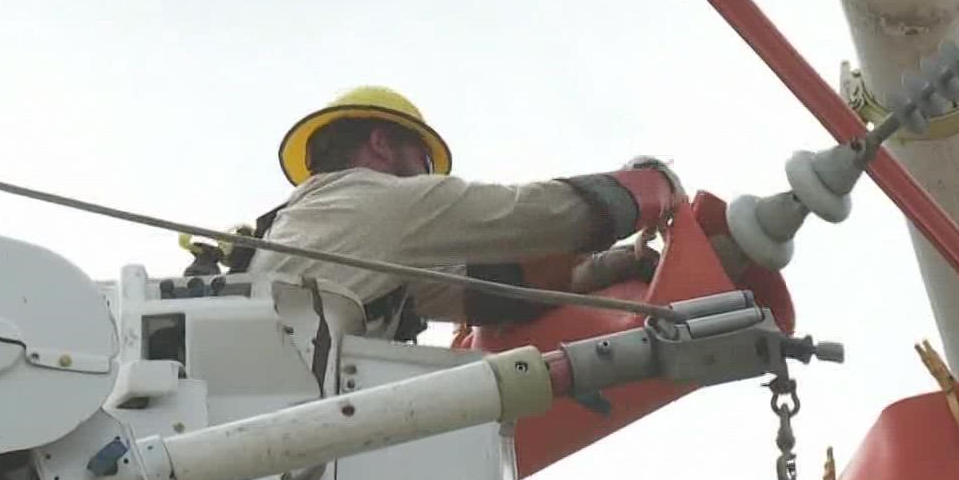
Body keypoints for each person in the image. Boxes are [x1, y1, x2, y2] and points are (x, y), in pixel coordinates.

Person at [242, 85, 703, 341]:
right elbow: (530, 217)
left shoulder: (312, 227)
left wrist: (618, 264)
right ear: (382, 143)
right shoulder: (376, 200)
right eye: (425, 161)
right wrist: (646, 186)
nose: (429, 176)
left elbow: (485, 291)